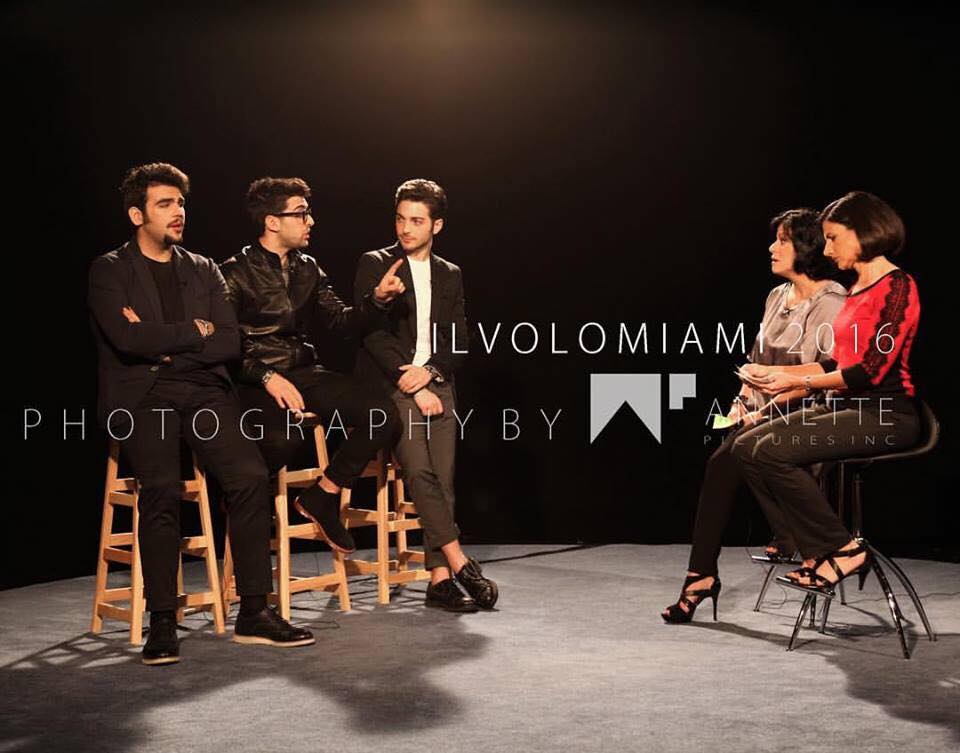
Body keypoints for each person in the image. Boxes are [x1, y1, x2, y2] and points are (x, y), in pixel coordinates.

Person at [88, 163, 314, 666]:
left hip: (203, 391)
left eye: (181, 203)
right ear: (137, 215)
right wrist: (195, 330)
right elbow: (126, 338)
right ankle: (162, 619)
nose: (178, 212)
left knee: (250, 476)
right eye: (165, 204)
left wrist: (164, 339)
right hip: (144, 395)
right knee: (162, 488)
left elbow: (229, 342)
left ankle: (254, 611)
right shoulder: (110, 269)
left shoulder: (203, 268)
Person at [731, 191, 921, 597]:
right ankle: (814, 549)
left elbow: (869, 371)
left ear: (863, 232)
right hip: (844, 409)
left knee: (773, 452)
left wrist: (798, 383)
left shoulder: (898, 287)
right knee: (745, 447)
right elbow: (836, 364)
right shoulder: (855, 288)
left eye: (833, 238)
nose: (827, 250)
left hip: (886, 414)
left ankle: (842, 550)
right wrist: (779, 376)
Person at [662, 209, 846, 623]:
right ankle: (703, 573)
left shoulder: (830, 302)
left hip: (811, 412)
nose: (771, 247)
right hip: (765, 411)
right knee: (722, 460)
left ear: (807, 246)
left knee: (733, 457)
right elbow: (756, 364)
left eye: (782, 240)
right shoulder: (776, 297)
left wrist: (764, 409)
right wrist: (741, 406)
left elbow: (823, 375)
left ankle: (793, 542)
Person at [220, 177, 405, 553]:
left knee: (382, 414)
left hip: (303, 371)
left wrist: (377, 300)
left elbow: (340, 322)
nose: (311, 221)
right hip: (253, 377)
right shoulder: (234, 272)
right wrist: (267, 376)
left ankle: (322, 496)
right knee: (283, 439)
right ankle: (245, 495)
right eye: (301, 213)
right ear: (272, 222)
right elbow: (226, 346)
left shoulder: (308, 268)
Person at [354, 179, 498, 612]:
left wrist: (431, 373)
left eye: (416, 220)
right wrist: (413, 383)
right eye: (400, 218)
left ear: (437, 225)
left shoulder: (449, 273)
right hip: (392, 383)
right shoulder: (376, 263)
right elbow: (372, 335)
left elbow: (459, 341)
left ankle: (439, 580)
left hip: (436, 380)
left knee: (443, 479)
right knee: (420, 472)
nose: (405, 228)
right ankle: (460, 562)